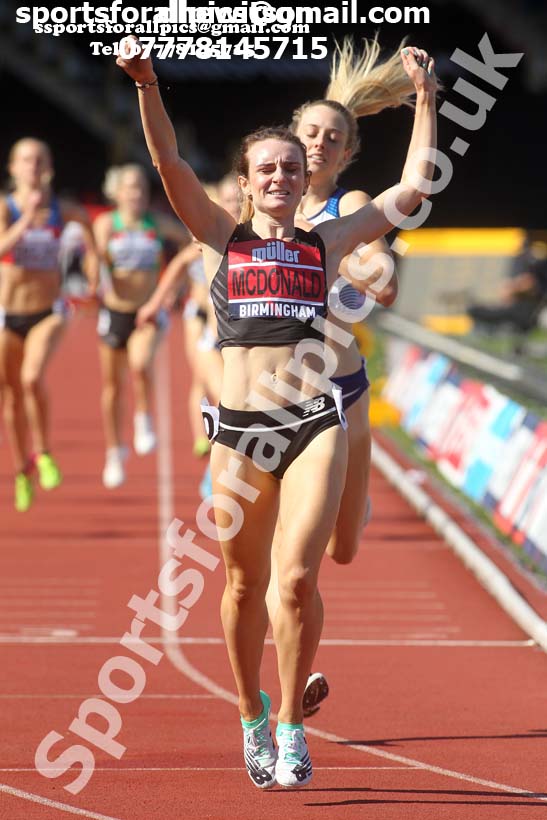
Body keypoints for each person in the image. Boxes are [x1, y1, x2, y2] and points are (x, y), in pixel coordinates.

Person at [117, 38, 436, 788]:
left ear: (302, 182)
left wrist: (425, 99)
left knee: (294, 581)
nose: (279, 177)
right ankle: (251, 714)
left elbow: (413, 189)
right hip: (239, 434)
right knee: (239, 585)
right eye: (266, 167)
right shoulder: (216, 238)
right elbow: (167, 160)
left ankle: (290, 725)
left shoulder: (325, 243)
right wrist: (146, 82)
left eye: (291, 168)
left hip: (313, 423)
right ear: (246, 181)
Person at [266, 37, 416, 718]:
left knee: (344, 550)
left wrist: (368, 269)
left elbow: (380, 273)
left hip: (341, 391)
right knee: (287, 567)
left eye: (332, 138)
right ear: (288, 140)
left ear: (348, 152)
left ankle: (351, 505)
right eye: (310, 134)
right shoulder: (260, 205)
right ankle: (292, 685)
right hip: (272, 403)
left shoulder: (347, 205)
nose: (319, 145)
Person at [0, 137, 99, 512]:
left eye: (40, 159)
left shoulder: (64, 209)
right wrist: (26, 218)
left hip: (48, 311)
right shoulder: (6, 208)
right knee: (11, 398)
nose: (33, 166)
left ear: (49, 167)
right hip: (8, 314)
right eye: (25, 160)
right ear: (13, 168)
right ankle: (22, 470)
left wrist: (93, 268)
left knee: (30, 378)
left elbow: (91, 240)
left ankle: (43, 454)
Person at [93, 163, 188, 488]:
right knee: (112, 388)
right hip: (114, 312)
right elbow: (96, 262)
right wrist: (99, 262)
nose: (137, 194)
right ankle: (113, 451)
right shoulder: (107, 223)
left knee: (140, 363)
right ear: (116, 193)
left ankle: (143, 417)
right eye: (130, 188)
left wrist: (175, 285)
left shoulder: (157, 224)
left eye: (142, 189)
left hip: (146, 311)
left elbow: (192, 239)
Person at [467, 234, 547, 334]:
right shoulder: (524, 260)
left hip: (533, 311)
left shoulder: (538, 265)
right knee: (478, 311)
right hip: (522, 306)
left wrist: (518, 287)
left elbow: (530, 284)